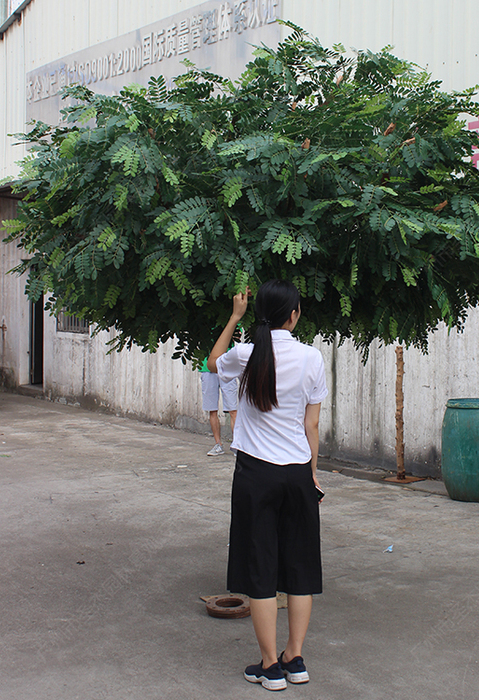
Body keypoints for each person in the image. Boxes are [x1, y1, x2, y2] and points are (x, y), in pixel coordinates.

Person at [207, 280, 328, 691]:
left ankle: (269, 665)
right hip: (297, 473)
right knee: (300, 568)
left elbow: (212, 361)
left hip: (256, 474)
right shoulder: (312, 358)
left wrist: (234, 317)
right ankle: (295, 658)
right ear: (293, 315)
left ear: (261, 312)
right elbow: (311, 424)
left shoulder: (247, 354)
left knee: (260, 569)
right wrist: (313, 473)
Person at [199, 358, 238, 456]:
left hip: (227, 369)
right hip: (207, 368)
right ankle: (218, 444)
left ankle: (237, 445)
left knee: (233, 410)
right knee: (212, 410)